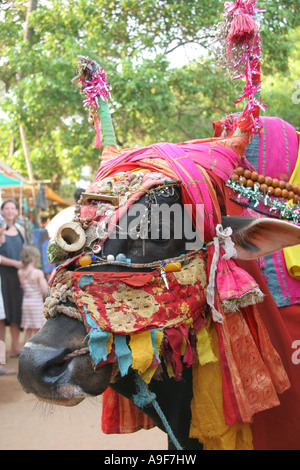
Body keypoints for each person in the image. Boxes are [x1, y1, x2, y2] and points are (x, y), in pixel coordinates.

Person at [0, 199, 24, 358]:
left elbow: (24, 250)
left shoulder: (21, 229)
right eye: (6, 208)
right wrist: (15, 263)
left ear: (16, 211)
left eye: (12, 208)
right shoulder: (0, 231)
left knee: (16, 311)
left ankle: (15, 347)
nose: (9, 211)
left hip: (18, 276)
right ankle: (2, 352)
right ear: (2, 212)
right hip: (3, 275)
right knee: (3, 314)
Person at [18, 246, 48, 343]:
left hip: (26, 303)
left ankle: (25, 348)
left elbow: (23, 287)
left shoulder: (20, 272)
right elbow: (44, 290)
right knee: (38, 328)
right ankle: (37, 349)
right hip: (36, 304)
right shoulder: (38, 273)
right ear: (32, 259)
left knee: (28, 329)